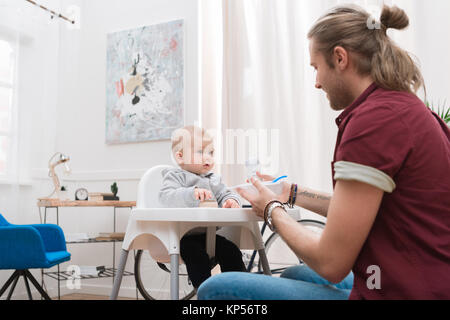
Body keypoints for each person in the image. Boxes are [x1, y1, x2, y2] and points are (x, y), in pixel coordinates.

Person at [198, 4, 450, 300]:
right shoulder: (404, 107)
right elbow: (359, 209)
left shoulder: (374, 122)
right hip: (425, 279)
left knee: (217, 289)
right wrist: (289, 192)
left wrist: (270, 210)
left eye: (316, 68)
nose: (316, 82)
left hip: (402, 292)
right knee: (295, 274)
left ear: (340, 58)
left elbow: (331, 263)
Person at [159, 125, 246, 290]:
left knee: (231, 250)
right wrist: (191, 194)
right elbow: (166, 197)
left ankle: (238, 289)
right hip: (181, 236)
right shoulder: (176, 177)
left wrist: (231, 201)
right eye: (200, 152)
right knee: (196, 255)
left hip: (209, 236)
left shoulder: (214, 179)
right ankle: (205, 291)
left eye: (211, 153)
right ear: (180, 157)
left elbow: (226, 194)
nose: (208, 158)